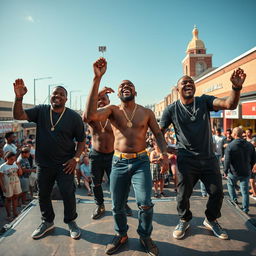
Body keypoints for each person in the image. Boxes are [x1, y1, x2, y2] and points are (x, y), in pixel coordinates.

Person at [84, 58, 169, 256]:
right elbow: (89, 115)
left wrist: (164, 154)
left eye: (129, 85)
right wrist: (96, 79)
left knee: (145, 203)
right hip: (119, 161)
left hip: (141, 161)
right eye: (121, 85)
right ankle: (121, 235)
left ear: (135, 92)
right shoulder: (113, 110)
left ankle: (145, 236)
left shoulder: (146, 112)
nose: (125, 87)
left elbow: (157, 133)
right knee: (117, 205)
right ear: (118, 92)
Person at [160, 68, 246, 240]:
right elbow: (159, 132)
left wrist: (236, 88)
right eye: (184, 82)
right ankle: (184, 219)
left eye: (191, 81)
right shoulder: (171, 109)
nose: (188, 83)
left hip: (208, 158)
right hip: (186, 159)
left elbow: (229, 104)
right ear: (178, 89)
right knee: (182, 195)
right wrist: (165, 151)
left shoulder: (204, 101)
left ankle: (211, 219)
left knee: (217, 193)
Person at [12, 79, 85, 239]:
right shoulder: (41, 111)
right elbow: (18, 115)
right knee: (43, 194)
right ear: (50, 96)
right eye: (55, 93)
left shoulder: (74, 117)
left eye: (61, 94)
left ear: (66, 99)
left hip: (65, 164)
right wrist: (19, 98)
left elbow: (81, 141)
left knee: (67, 192)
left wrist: (76, 159)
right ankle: (47, 222)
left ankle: (71, 221)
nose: (57, 95)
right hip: (44, 164)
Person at [83, 88, 132, 219]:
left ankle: (123, 204)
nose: (100, 101)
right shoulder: (92, 117)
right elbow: (85, 116)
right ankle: (100, 205)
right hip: (96, 155)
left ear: (109, 101)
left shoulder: (114, 116)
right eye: (98, 99)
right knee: (96, 183)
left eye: (103, 98)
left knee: (119, 183)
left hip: (113, 155)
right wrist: (98, 93)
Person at [224, 127, 256, 213]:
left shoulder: (230, 146)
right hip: (246, 171)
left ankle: (234, 200)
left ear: (234, 134)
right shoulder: (250, 145)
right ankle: (245, 209)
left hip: (233, 171)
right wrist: (251, 167)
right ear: (242, 134)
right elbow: (254, 159)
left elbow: (227, 160)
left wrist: (225, 171)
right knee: (245, 191)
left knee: (230, 185)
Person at [0, 151, 22, 221]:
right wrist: (2, 186)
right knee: (8, 199)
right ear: (7, 158)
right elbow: (0, 178)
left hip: (16, 183)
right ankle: (8, 215)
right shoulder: (2, 167)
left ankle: (15, 212)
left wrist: (18, 166)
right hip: (8, 185)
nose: (13, 161)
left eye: (14, 159)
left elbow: (20, 173)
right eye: (11, 159)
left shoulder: (15, 165)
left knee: (15, 198)